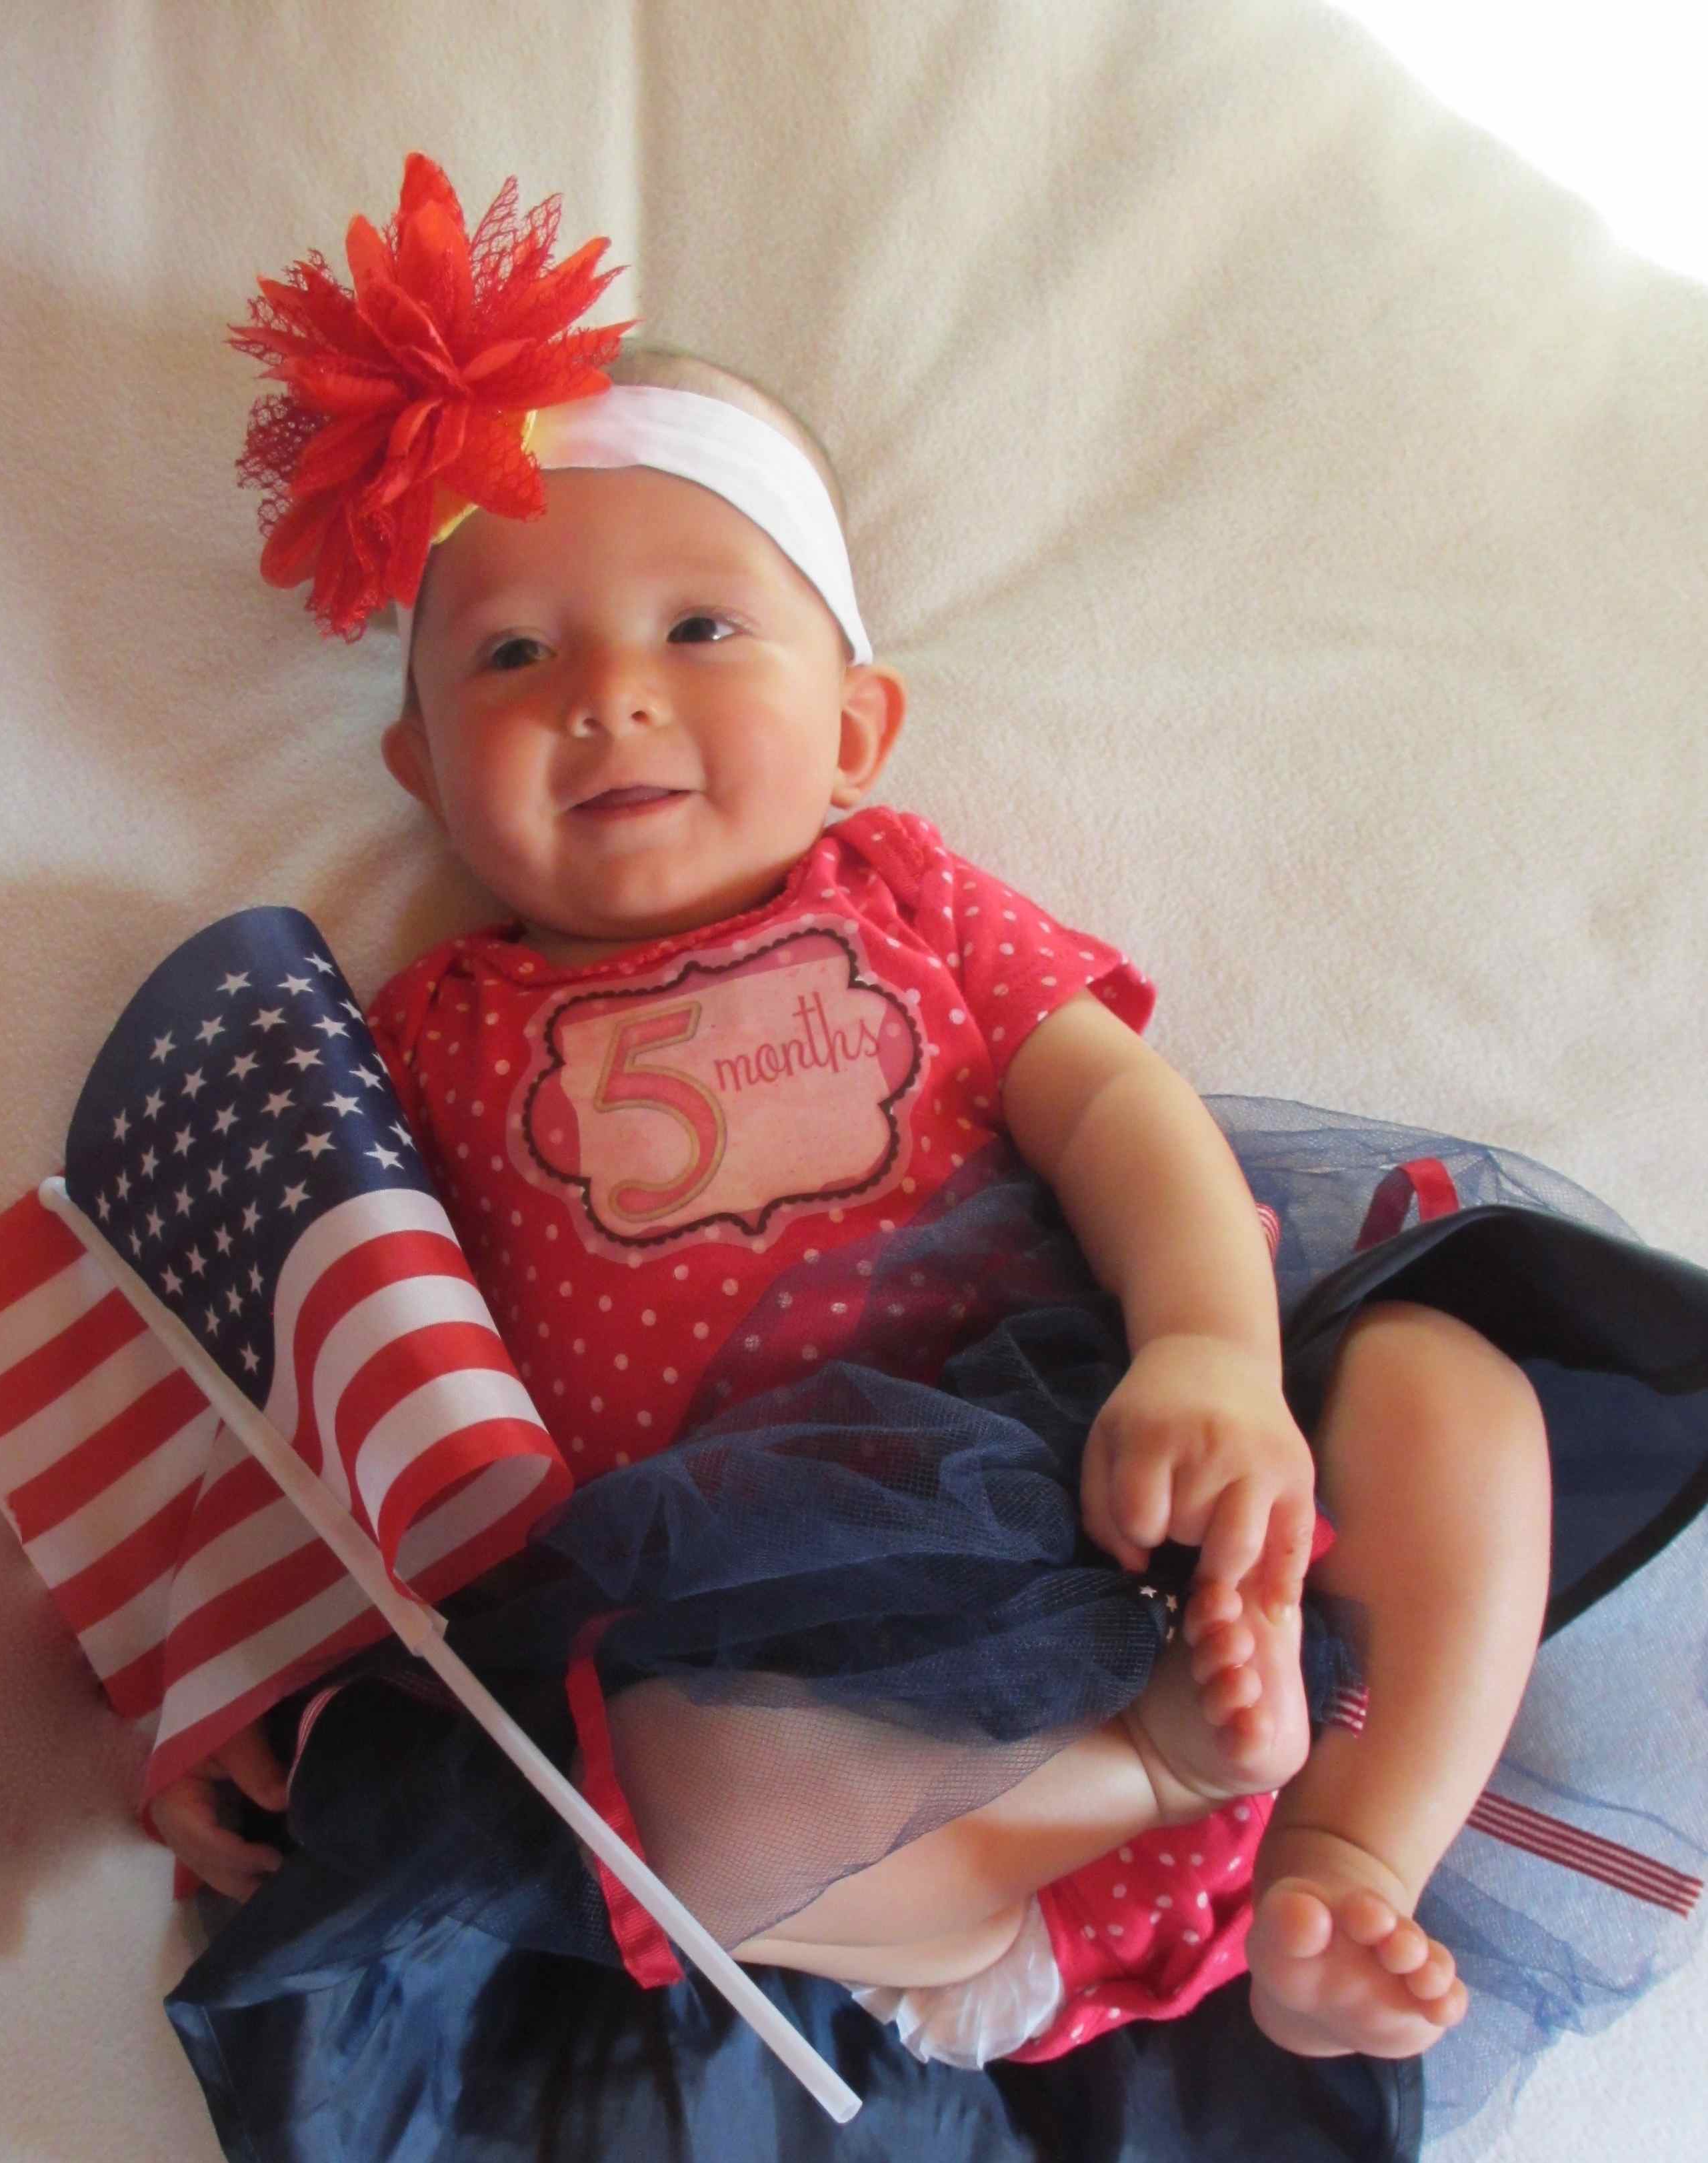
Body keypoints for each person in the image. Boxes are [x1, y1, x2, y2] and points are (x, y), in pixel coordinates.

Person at [152, 307, 1562, 2071]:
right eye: (513, 654)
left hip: (1127, 1498)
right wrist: (217, 1660)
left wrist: (1209, 1350)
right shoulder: (416, 1042)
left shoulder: (909, 901)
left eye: (700, 628)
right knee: (660, 1793)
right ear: (423, 771)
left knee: (1446, 1390)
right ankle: (1139, 1789)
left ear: (854, 729)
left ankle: (1350, 1858)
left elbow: (1118, 1111)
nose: (608, 694)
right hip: (812, 1701)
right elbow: (329, 1363)